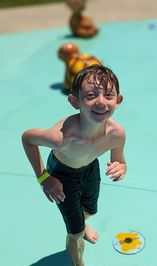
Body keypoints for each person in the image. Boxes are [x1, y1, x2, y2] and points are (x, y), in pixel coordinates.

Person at [22, 64, 127, 266]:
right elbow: (27, 139)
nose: (101, 102)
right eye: (90, 95)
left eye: (108, 95)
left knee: (89, 210)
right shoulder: (60, 137)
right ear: (74, 101)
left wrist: (121, 167)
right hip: (61, 174)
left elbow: (120, 160)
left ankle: (81, 223)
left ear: (118, 100)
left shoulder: (116, 134)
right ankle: (78, 262)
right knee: (75, 233)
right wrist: (44, 178)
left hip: (89, 168)